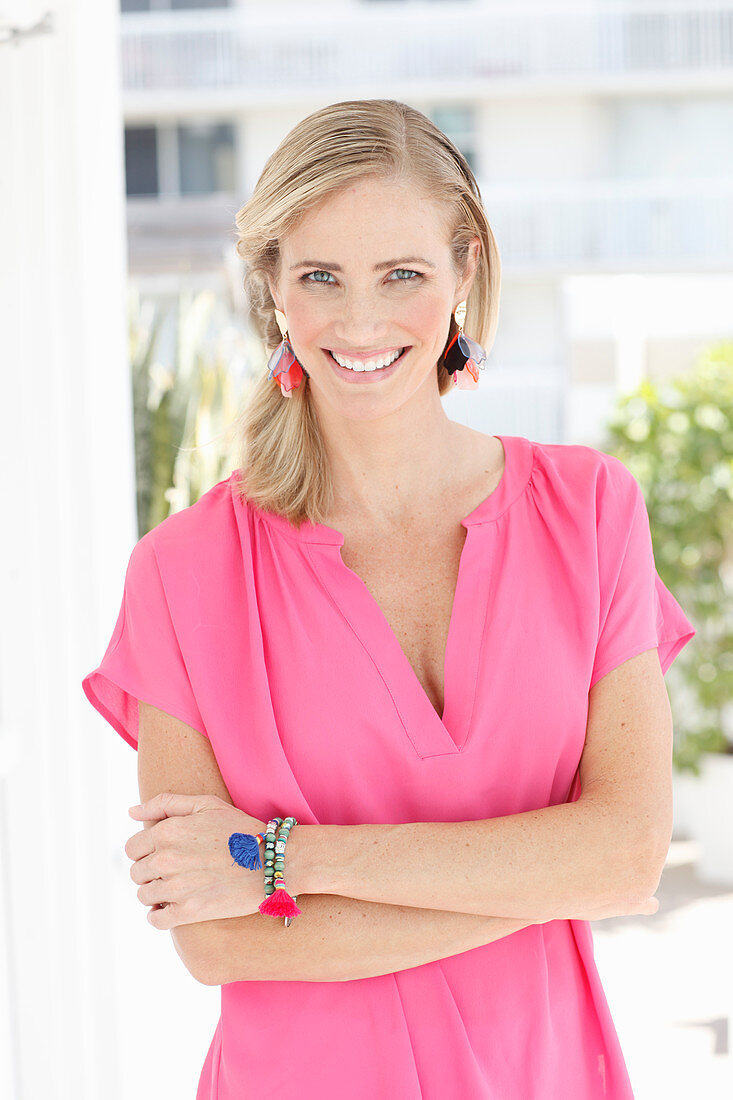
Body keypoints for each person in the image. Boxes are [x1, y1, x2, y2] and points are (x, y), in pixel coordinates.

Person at [81, 99, 696, 1099]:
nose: (359, 322)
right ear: (273, 286)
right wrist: (545, 877)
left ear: (465, 271)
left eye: (401, 274)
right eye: (320, 275)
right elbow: (219, 938)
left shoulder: (588, 512)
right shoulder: (182, 572)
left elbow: (625, 855)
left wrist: (283, 856)